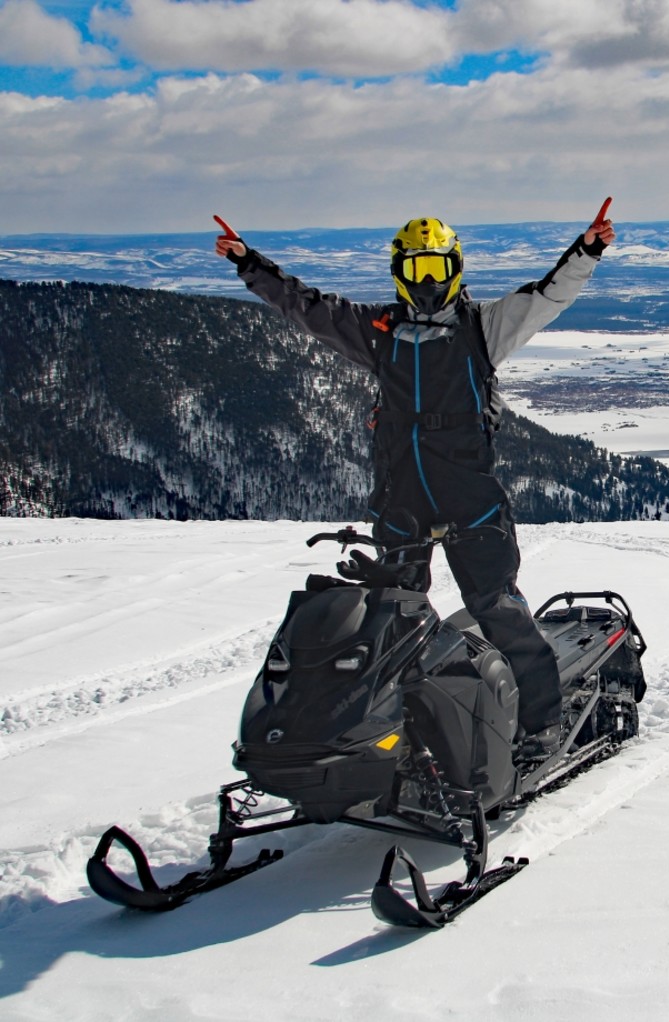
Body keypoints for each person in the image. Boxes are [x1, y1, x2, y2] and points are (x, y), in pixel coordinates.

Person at [215, 205, 616, 759]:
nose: (426, 281)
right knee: (392, 622)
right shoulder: (378, 332)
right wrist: (249, 263)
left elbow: (547, 297)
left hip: (470, 501)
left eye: (435, 268)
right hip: (401, 503)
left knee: (497, 607)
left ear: (453, 267)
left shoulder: (482, 328)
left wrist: (586, 250)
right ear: (399, 273)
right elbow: (307, 308)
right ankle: (399, 725)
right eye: (416, 269)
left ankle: (541, 721)